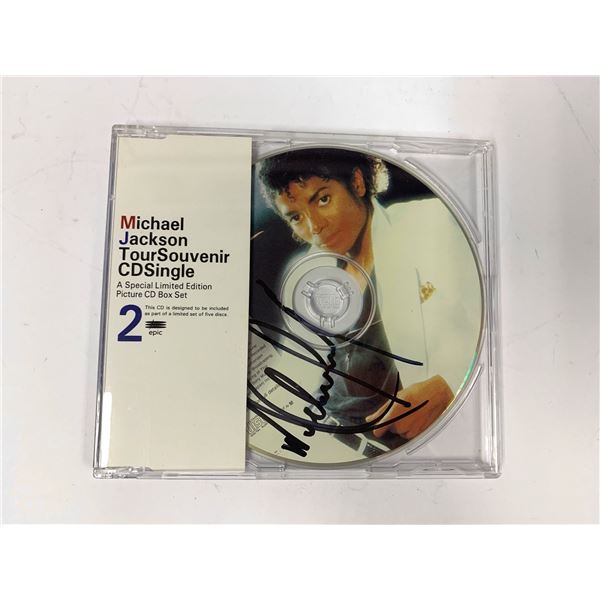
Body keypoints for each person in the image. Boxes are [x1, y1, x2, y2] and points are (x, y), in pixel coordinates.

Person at [257, 148, 481, 450]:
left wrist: (449, 384)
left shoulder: (429, 222)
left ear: (358, 182)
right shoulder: (306, 275)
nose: (314, 227)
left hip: (399, 444)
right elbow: (296, 371)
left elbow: (495, 324)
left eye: (323, 200)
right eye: (296, 217)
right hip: (323, 441)